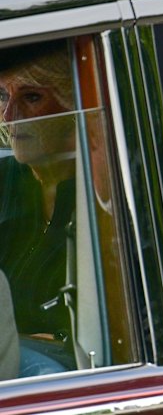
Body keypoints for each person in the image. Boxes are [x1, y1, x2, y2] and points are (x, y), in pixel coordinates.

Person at [0, 39, 77, 370]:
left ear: (73, 105)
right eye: (3, 96)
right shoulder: (4, 178)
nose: (8, 115)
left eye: (31, 97)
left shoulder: (113, 186)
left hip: (69, 368)